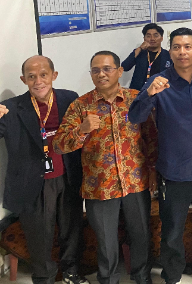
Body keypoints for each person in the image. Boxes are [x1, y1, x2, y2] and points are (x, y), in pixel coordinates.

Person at [129, 28, 192, 284]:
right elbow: (135, 116)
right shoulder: (159, 81)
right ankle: (172, 274)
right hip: (175, 169)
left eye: (187, 47)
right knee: (172, 228)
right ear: (170, 51)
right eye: (176, 47)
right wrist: (149, 94)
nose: (182, 52)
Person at [53, 51, 157, 284]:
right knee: (106, 242)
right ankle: (108, 280)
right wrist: (81, 130)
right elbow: (59, 145)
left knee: (141, 236)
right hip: (99, 187)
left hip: (135, 181)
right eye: (95, 70)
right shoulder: (80, 106)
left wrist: (152, 171)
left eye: (107, 69)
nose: (101, 74)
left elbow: (151, 137)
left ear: (119, 71)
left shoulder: (135, 99)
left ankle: (142, 278)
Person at [0, 56, 87, 284]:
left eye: (43, 75)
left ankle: (70, 272)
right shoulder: (11, 108)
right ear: (24, 80)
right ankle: (43, 278)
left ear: (54, 75)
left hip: (67, 176)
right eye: (31, 77)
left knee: (71, 229)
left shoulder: (69, 98)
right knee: (40, 236)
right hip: (33, 182)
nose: (38, 81)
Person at [122, 23, 171, 90]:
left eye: (156, 35)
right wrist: (140, 48)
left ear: (161, 38)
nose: (152, 38)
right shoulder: (140, 52)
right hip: (138, 91)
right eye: (148, 36)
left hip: (160, 91)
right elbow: (125, 67)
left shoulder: (167, 55)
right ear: (144, 38)